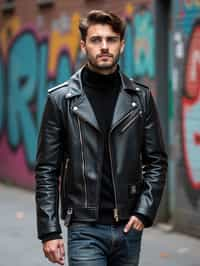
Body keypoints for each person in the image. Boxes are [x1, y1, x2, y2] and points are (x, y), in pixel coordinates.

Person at [35, 10, 168, 266]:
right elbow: (46, 170)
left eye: (112, 39)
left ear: (122, 44)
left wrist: (144, 211)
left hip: (129, 227)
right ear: (83, 45)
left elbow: (156, 161)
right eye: (96, 40)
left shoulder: (140, 98)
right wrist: (49, 231)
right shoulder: (61, 100)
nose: (104, 47)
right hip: (84, 228)